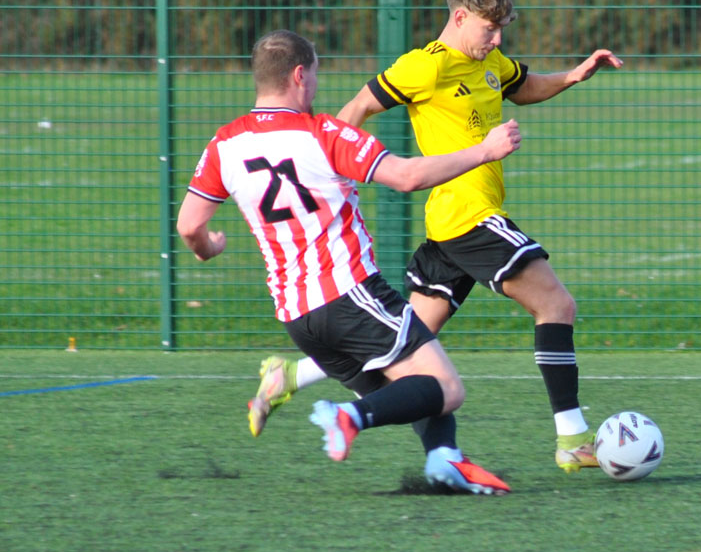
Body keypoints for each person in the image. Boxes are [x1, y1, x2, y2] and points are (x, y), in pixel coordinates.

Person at [251, 0, 623, 474]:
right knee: (556, 304)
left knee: (407, 344)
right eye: (489, 29)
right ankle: (573, 439)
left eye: (502, 30)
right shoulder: (424, 67)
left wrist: (574, 75)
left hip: (450, 228)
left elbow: (523, 86)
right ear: (460, 17)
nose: (497, 40)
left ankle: (289, 377)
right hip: (467, 216)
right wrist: (327, 169)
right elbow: (357, 108)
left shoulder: (488, 60)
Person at [177, 29, 518, 495]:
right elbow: (407, 176)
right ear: (300, 75)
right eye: (316, 74)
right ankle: (346, 417)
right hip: (349, 293)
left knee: (410, 388)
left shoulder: (224, 144)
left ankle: (445, 459)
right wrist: (485, 151)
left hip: (298, 317)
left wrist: (207, 248)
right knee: (446, 388)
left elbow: (189, 225)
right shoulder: (322, 133)